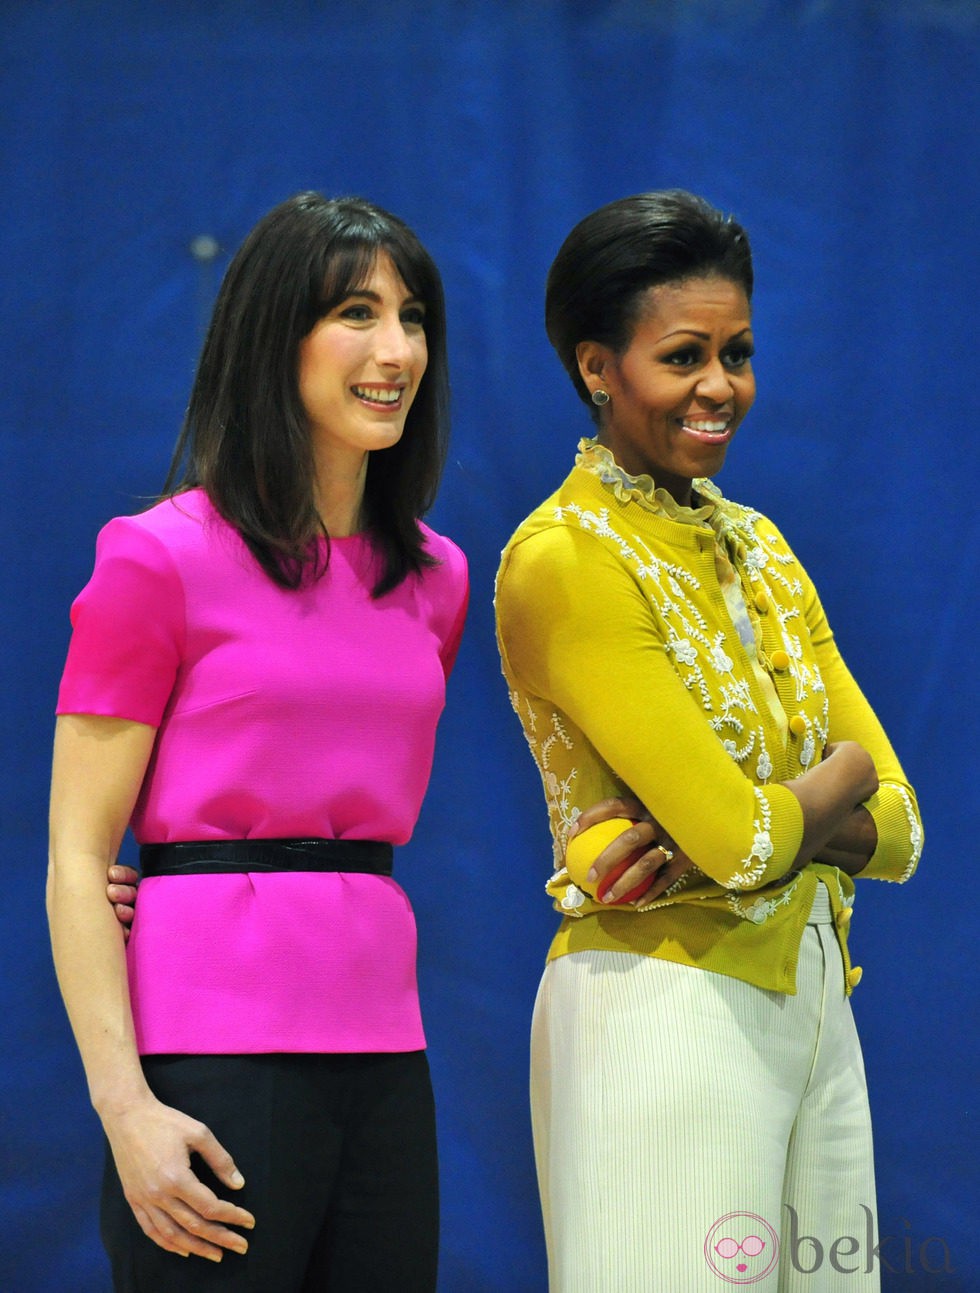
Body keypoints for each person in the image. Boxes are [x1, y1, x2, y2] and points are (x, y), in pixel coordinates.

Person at [494, 190, 923, 1291]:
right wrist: (825, 788)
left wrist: (793, 814)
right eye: (681, 355)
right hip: (662, 1008)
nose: (719, 387)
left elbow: (901, 828)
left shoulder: (758, 542)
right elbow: (738, 843)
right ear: (597, 367)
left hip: (814, 998)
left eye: (735, 352)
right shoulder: (563, 558)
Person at [47, 192, 468, 1291]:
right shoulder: (155, 559)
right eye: (356, 314)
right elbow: (76, 859)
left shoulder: (437, 577)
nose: (394, 351)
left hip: (386, 1056)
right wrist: (127, 1108)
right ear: (273, 338)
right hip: (209, 1059)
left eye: (412, 317)